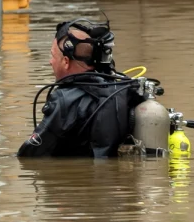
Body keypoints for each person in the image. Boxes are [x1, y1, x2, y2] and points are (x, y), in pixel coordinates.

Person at [17, 18, 135, 158]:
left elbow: (30, 154)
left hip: (87, 178)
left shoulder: (64, 100)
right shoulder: (124, 89)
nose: (50, 62)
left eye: (53, 56)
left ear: (66, 62)